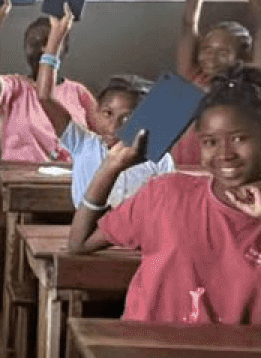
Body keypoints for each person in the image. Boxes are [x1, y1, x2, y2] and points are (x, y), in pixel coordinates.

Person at [67, 69, 261, 340]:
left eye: (239, 138)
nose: (225, 154)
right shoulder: (166, 193)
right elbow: (80, 242)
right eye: (210, 142)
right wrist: (112, 165)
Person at [36, 11, 173, 210]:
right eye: (108, 113)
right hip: (86, 236)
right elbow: (44, 97)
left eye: (127, 118)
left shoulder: (157, 159)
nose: (113, 126)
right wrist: (56, 35)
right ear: (97, 111)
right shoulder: (83, 144)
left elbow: (164, 207)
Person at [171, 0, 261, 168]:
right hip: (180, 171)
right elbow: (188, 22)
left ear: (243, 58)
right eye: (207, 50)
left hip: (221, 174)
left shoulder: (248, 85)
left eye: (223, 53)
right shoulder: (193, 77)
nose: (211, 58)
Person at [0, 0, 91, 163]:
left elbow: (104, 137)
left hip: (71, 183)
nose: (42, 50)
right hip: (22, 184)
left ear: (65, 48)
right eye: (34, 44)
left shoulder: (78, 92)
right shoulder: (14, 88)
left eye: (49, 42)